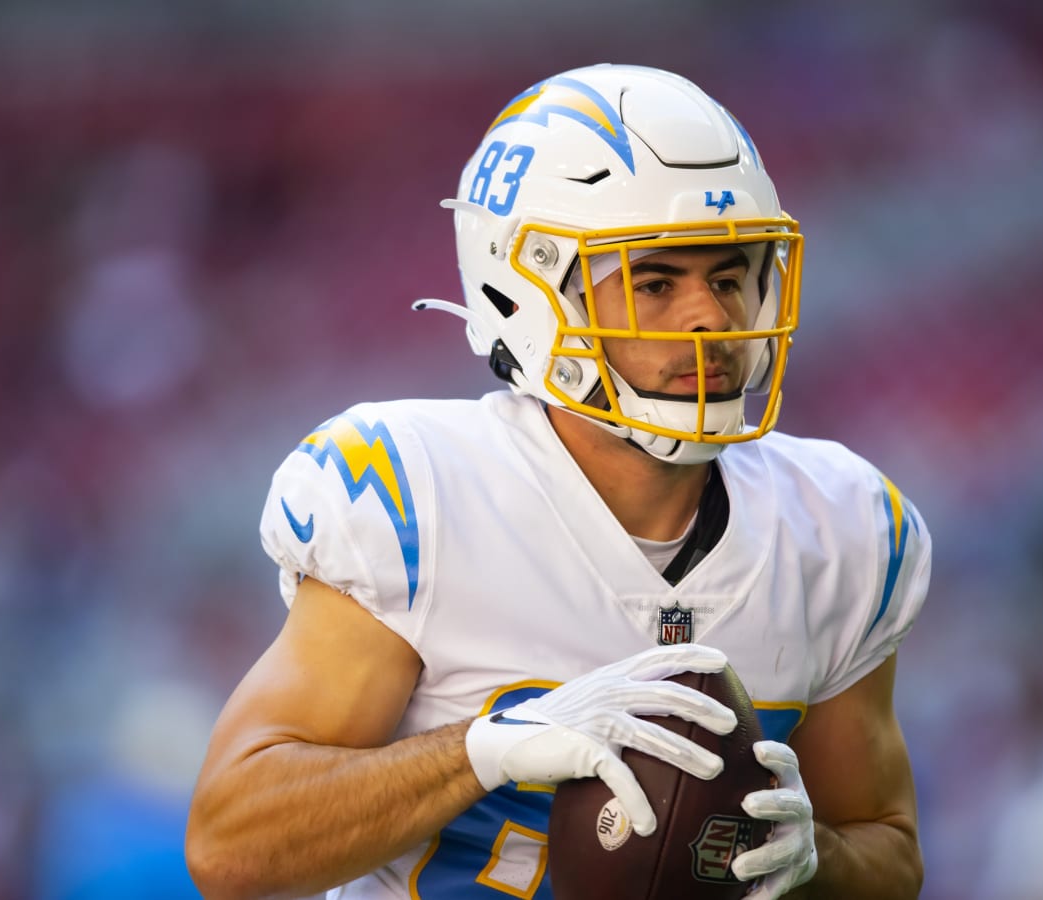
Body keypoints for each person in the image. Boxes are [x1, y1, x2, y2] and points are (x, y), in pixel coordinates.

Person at [185, 63, 930, 900]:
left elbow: (891, 853)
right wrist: (488, 749)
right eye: (655, 282)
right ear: (529, 293)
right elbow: (231, 845)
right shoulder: (422, 497)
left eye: (728, 277)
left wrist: (817, 860)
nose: (711, 319)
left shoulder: (835, 529)